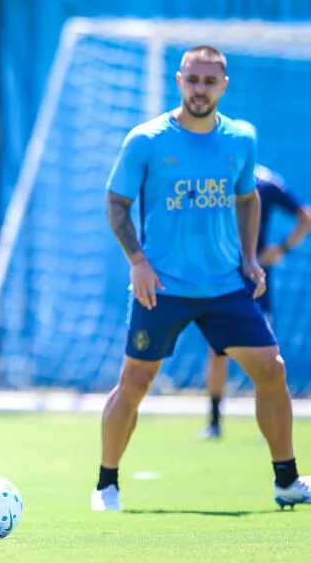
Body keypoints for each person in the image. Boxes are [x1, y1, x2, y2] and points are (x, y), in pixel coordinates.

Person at [94, 45, 311, 512]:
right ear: (179, 81)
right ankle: (106, 485)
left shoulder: (241, 138)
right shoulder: (146, 140)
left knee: (272, 372)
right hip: (163, 287)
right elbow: (116, 203)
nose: (200, 89)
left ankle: (287, 481)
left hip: (225, 286)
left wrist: (250, 258)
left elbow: (248, 198)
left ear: (224, 86)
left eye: (210, 81)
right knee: (133, 384)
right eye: (192, 80)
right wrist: (137, 260)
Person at [200, 164, 311, 438]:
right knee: (217, 351)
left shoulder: (266, 182)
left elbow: (305, 216)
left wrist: (281, 248)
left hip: (254, 279)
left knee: (265, 357)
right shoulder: (212, 179)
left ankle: (270, 423)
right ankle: (214, 423)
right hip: (221, 277)